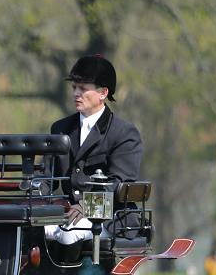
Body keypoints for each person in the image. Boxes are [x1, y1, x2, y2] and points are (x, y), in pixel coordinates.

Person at [40, 54, 143, 248]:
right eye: (74, 88)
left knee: (68, 235)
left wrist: (86, 206)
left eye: (83, 89)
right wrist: (32, 200)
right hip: (68, 215)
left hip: (109, 219)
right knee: (28, 229)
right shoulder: (60, 129)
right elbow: (46, 177)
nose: (75, 93)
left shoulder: (124, 133)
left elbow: (118, 184)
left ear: (103, 93)